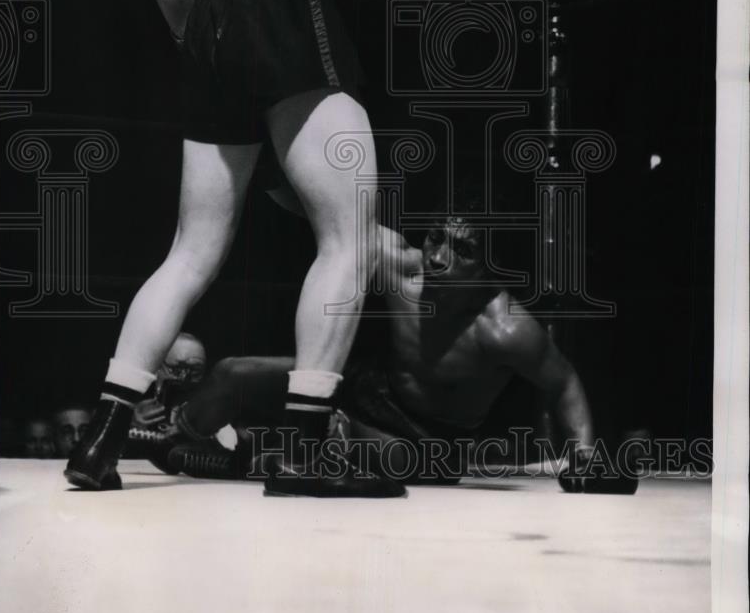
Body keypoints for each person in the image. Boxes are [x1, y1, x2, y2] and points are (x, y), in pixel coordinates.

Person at [66, 0, 533, 496]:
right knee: (348, 238)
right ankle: (305, 451)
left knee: (190, 251)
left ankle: (101, 440)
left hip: (215, 11)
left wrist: (204, 46)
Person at [131, 183, 595, 486]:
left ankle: (254, 451)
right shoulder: (399, 267)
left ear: (489, 265)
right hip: (365, 390)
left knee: (391, 457)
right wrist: (275, 173)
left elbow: (565, 383)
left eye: (463, 250)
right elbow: (332, 214)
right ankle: (180, 437)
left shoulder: (506, 327)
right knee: (233, 372)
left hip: (426, 442)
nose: (437, 258)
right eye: (436, 238)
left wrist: (584, 458)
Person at [132, 331, 207, 429]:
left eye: (195, 371)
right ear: (158, 367)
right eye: (177, 369)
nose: (184, 378)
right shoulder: (128, 408)